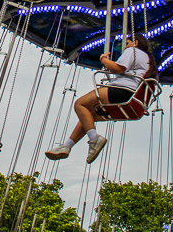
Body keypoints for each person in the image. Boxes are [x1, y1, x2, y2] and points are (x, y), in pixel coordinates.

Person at [45, 34, 157, 165]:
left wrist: (104, 59)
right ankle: (67, 145)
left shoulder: (133, 51)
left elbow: (118, 68)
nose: (125, 46)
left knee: (80, 104)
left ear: (135, 43)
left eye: (127, 43)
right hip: (133, 94)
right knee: (87, 117)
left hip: (122, 89)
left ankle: (94, 139)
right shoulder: (148, 59)